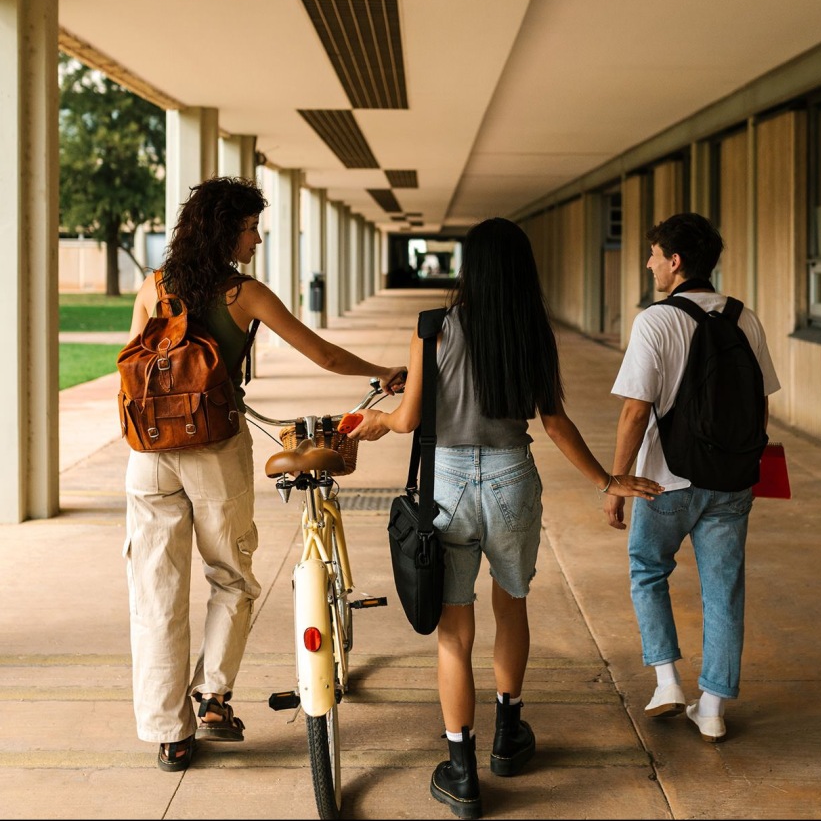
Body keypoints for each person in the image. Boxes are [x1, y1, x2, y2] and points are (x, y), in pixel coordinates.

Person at [350, 217, 663, 819]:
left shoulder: (433, 327)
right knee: (511, 603)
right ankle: (508, 738)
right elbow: (554, 422)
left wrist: (379, 421)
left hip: (446, 485)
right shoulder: (532, 331)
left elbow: (409, 418)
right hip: (512, 478)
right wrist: (605, 480)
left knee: (454, 629)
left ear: (470, 268)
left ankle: (461, 771)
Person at [123, 176, 405, 773]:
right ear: (226, 231)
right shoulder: (243, 294)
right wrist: (384, 371)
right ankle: (212, 698)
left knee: (156, 590)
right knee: (231, 575)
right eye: (251, 228)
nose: (257, 238)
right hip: (214, 449)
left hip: (149, 455)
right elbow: (324, 354)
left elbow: (133, 366)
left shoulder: (154, 286)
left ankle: (170, 734)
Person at [603, 212, 780, 744]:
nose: (649, 263)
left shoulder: (655, 321)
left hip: (665, 481)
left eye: (654, 254)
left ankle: (666, 682)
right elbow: (760, 406)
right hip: (731, 481)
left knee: (648, 570)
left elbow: (635, 411)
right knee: (723, 591)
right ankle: (714, 708)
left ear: (675, 261)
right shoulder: (745, 318)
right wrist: (744, 463)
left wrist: (617, 480)